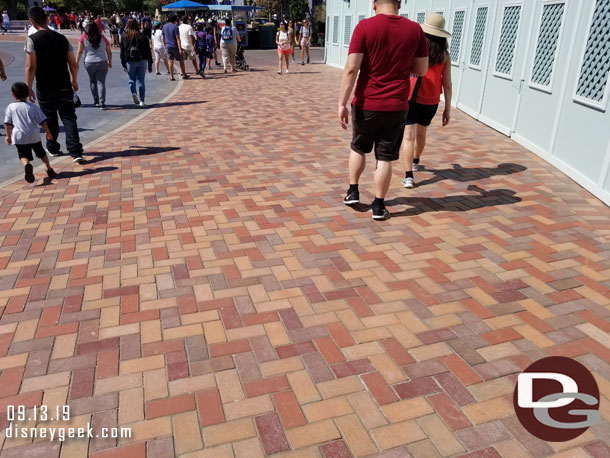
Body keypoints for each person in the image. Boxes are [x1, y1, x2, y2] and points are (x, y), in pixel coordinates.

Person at [338, 0, 428, 220]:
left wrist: (342, 102)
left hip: (366, 102)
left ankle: (353, 191)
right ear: (399, 2)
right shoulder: (415, 30)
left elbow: (352, 68)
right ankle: (378, 206)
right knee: (385, 157)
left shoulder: (364, 27)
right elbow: (421, 69)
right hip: (396, 105)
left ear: (374, 3)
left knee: (359, 147)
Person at [25, 6, 84, 163]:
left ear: (32, 22)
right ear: (47, 19)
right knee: (69, 117)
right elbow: (73, 64)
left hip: (44, 86)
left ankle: (52, 147)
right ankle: (76, 150)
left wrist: (28, 86)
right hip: (64, 84)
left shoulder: (32, 40)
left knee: (50, 118)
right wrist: (74, 79)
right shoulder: (62, 38)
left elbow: (30, 66)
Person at [400, 14, 452, 189]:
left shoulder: (416, 50)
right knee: (421, 134)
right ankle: (415, 161)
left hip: (412, 97)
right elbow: (448, 84)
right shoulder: (445, 55)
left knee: (408, 137)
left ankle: (409, 177)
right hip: (432, 101)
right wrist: (448, 109)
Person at [4, 82, 57, 183]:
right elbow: (42, 122)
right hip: (33, 135)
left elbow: (7, 123)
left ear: (13, 95)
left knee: (23, 154)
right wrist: (48, 132)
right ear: (28, 94)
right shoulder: (32, 107)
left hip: (18, 136)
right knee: (41, 153)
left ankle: (26, 165)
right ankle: (49, 169)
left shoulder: (11, 107)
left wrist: (8, 136)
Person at [76, 22, 112, 110]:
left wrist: (76, 62)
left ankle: (96, 101)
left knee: (92, 81)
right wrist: (109, 61)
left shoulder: (83, 37)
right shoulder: (102, 37)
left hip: (89, 62)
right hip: (102, 61)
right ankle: (102, 102)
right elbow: (108, 51)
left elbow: (80, 51)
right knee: (101, 82)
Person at [120, 18, 153, 107]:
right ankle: (142, 100)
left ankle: (134, 92)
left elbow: (122, 51)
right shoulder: (142, 36)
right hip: (142, 60)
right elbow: (148, 51)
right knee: (141, 80)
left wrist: (123, 63)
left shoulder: (124, 36)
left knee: (131, 79)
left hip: (130, 60)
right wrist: (150, 63)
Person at [162, 15, 188, 81]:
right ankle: (184, 74)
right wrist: (180, 48)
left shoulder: (164, 26)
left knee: (170, 62)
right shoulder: (175, 27)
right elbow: (178, 38)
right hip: (175, 46)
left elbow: (163, 38)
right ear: (175, 20)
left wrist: (164, 47)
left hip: (168, 46)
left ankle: (171, 76)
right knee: (181, 60)